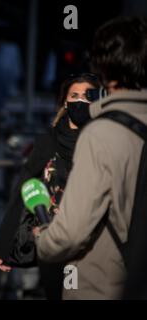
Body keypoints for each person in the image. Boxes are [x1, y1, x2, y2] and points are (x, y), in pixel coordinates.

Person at [34, 16, 147, 299]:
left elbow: (70, 233)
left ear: (102, 66)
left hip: (102, 287)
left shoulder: (101, 134)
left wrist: (43, 239)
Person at [0, 73, 99, 299]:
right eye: (74, 95)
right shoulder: (48, 141)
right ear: (65, 102)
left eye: (86, 96)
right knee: (57, 293)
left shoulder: (101, 143)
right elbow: (23, 188)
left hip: (92, 245)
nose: (80, 101)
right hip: (53, 240)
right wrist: (5, 245)